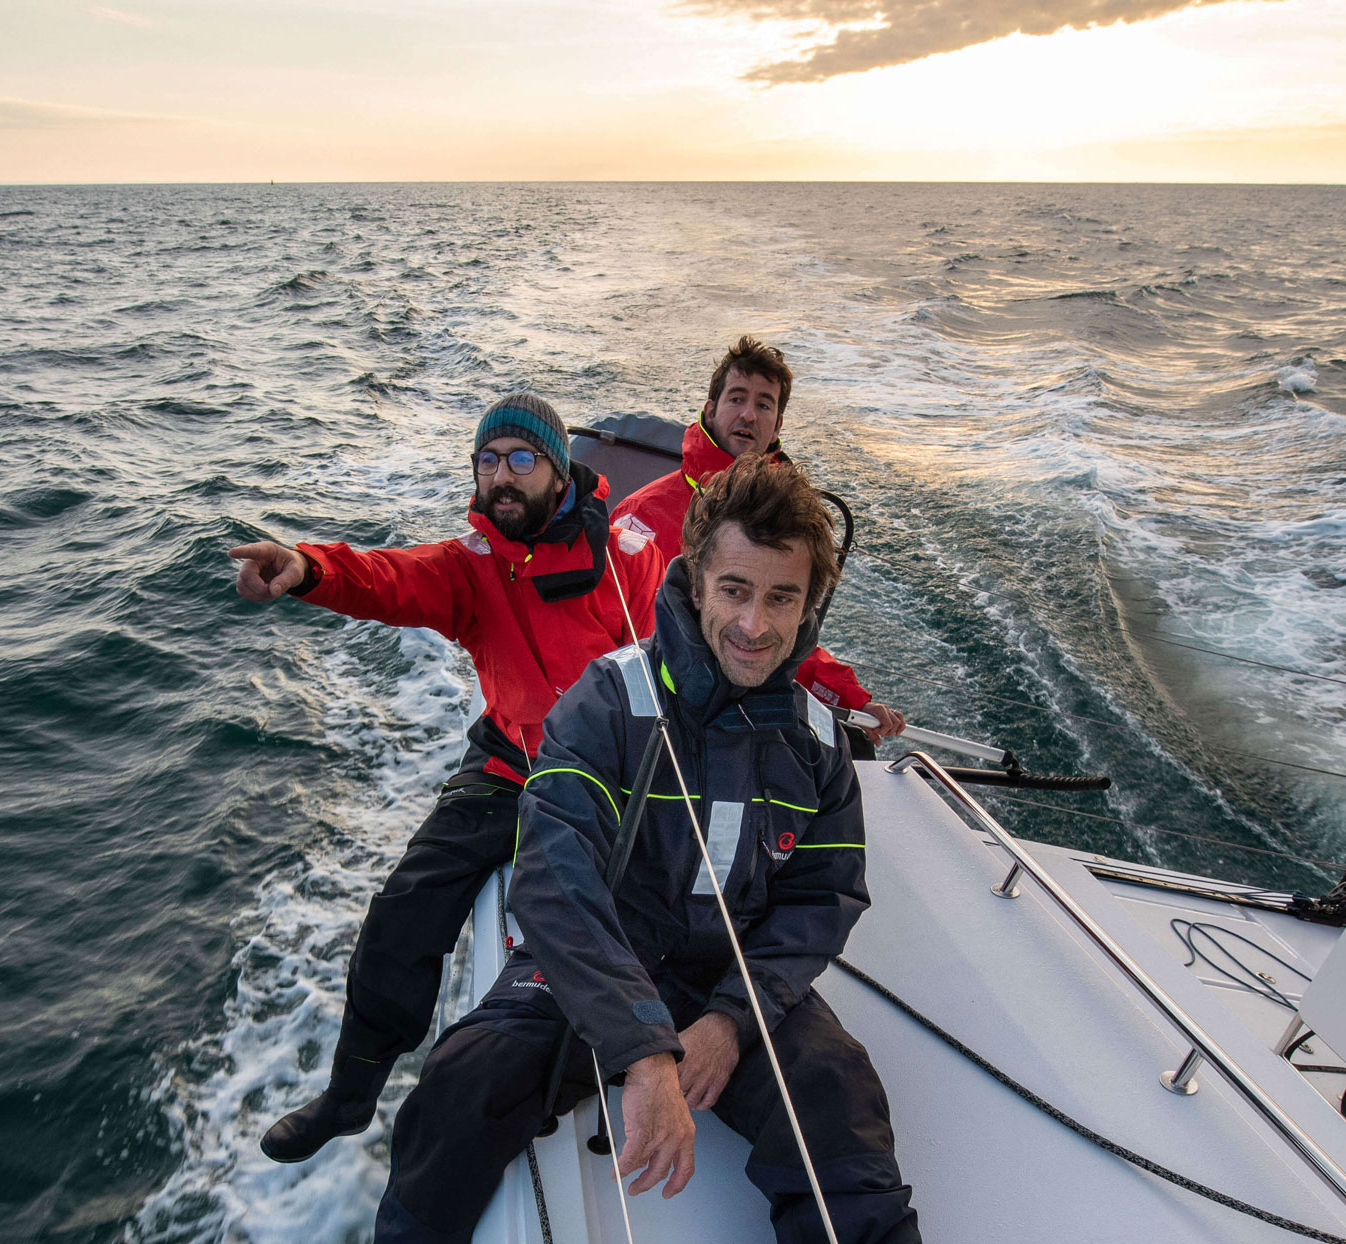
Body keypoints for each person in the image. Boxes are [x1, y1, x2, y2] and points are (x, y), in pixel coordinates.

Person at [237, 456, 1115, 1244]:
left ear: (810, 603)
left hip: (725, 981)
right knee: (457, 1091)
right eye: (735, 590)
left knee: (836, 1093)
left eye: (782, 598)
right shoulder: (608, 701)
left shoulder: (812, 742)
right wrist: (643, 1050)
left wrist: (732, 1022)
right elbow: (553, 878)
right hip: (591, 965)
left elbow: (821, 895)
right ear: (697, 578)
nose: (754, 623)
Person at [230, 391, 896, 1168]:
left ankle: (618, 1033)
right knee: (406, 907)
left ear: (557, 470)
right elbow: (386, 578)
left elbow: (740, 632)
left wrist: (842, 694)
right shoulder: (468, 568)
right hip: (510, 761)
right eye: (488, 461)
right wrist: (307, 569)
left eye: (522, 459)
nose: (502, 477)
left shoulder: (624, 556)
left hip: (611, 766)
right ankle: (352, 1090)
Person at [611, 334, 906, 752]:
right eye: (736, 398)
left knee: (853, 748)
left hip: (750, 706)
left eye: (764, 404)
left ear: (777, 426)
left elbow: (783, 630)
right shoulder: (641, 517)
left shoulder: (787, 522)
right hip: (661, 713)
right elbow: (616, 639)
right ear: (711, 409)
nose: (748, 414)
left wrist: (853, 702)